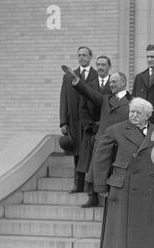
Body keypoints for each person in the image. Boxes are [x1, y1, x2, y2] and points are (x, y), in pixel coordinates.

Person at [93, 98, 154, 248]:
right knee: (124, 232)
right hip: (124, 189)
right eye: (132, 111)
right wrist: (101, 186)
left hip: (150, 190)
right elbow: (101, 157)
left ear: (148, 115)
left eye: (138, 112)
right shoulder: (116, 129)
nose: (133, 115)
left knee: (148, 232)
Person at [61, 67, 133, 189]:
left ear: (123, 82)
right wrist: (77, 81)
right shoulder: (105, 99)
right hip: (103, 149)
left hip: (120, 150)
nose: (111, 84)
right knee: (100, 184)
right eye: (110, 82)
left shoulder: (133, 102)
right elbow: (89, 93)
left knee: (116, 186)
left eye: (114, 81)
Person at [59, 46, 97, 193]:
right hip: (74, 120)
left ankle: (91, 186)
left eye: (84, 55)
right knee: (77, 152)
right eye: (79, 55)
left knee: (90, 152)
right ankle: (78, 184)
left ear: (90, 57)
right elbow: (63, 100)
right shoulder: (69, 76)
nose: (81, 57)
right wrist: (63, 122)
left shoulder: (96, 75)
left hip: (90, 120)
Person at [78, 55, 112, 208]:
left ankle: (106, 195)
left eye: (103, 64)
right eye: (98, 64)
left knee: (105, 163)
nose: (100, 67)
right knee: (90, 164)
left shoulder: (114, 84)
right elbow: (82, 107)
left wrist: (103, 124)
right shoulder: (89, 85)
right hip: (91, 131)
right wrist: (91, 126)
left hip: (109, 129)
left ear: (109, 67)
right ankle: (91, 196)